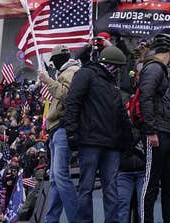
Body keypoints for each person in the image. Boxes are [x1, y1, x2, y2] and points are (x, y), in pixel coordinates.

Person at [65, 46, 132, 223]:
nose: (118, 70)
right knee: (86, 187)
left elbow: (121, 113)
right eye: (116, 66)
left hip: (111, 144)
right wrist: (71, 133)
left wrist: (128, 141)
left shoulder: (112, 84)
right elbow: (72, 102)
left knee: (110, 189)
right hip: (91, 142)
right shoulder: (85, 74)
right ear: (109, 64)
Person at [138, 33, 170, 223]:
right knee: (151, 183)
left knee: (169, 185)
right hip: (158, 133)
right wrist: (151, 130)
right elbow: (145, 97)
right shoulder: (153, 69)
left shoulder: (163, 70)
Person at [39, 44, 80, 223]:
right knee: (55, 178)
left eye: (54, 60)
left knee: (61, 176)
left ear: (58, 59)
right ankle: (51, 218)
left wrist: (47, 80)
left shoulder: (71, 71)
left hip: (63, 127)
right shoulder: (64, 72)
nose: (53, 64)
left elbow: (66, 94)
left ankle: (77, 219)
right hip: (56, 129)